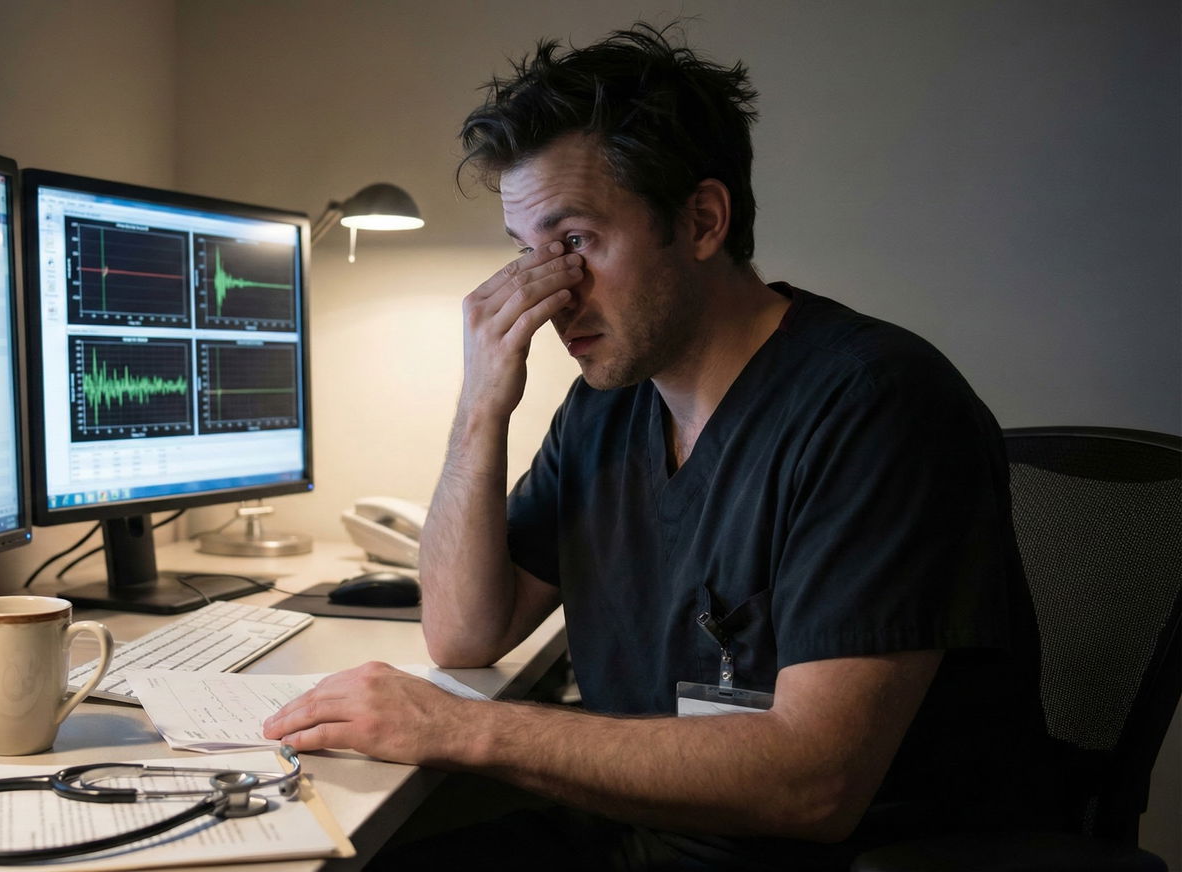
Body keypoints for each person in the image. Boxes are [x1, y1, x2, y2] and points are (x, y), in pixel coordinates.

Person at [263, 23, 1056, 870]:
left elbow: (814, 783)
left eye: (574, 242)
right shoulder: (606, 409)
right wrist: (479, 405)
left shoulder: (877, 406)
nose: (549, 292)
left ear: (702, 221)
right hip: (640, 838)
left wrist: (459, 727)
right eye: (526, 252)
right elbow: (464, 634)